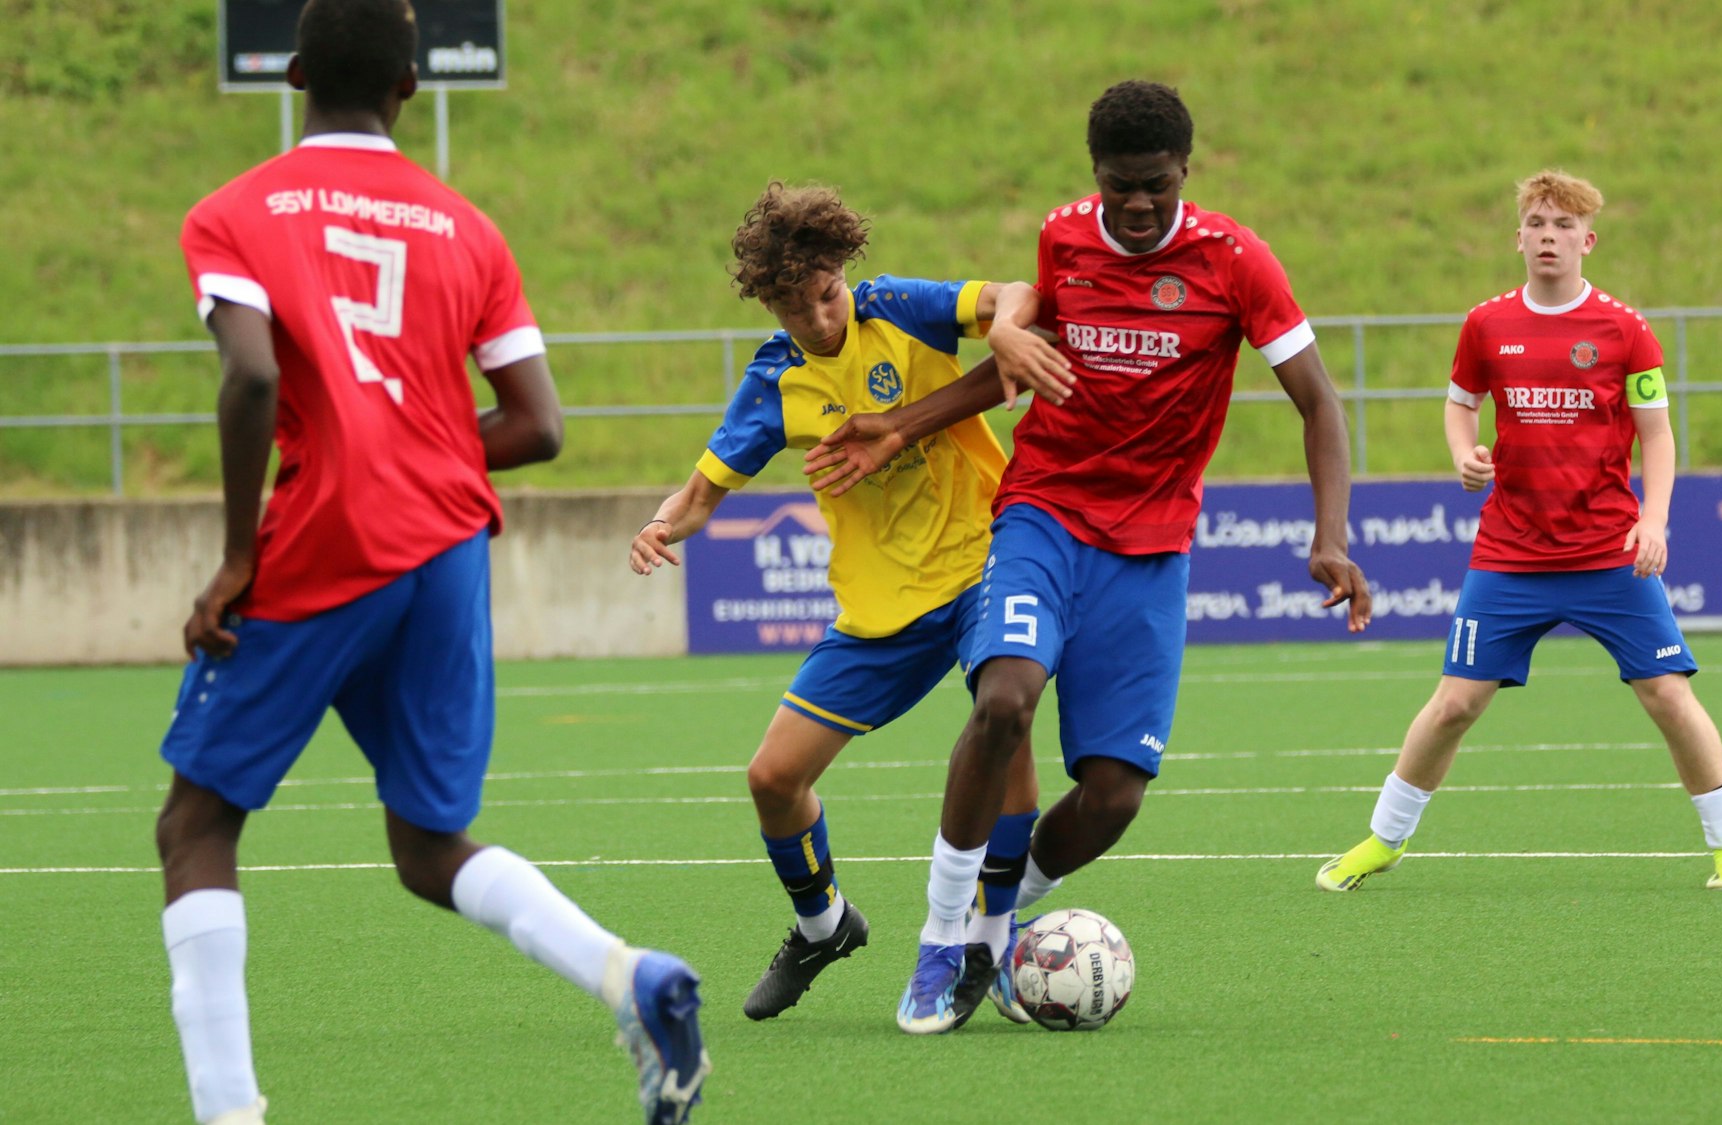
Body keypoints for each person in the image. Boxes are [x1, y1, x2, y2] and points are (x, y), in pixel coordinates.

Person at [154, 3, 706, 1122]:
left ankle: (229, 1114)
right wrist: (418, 446)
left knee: (196, 825)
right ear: (410, 87)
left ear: (295, 72)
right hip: (447, 544)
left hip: (323, 540)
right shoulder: (468, 227)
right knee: (427, 845)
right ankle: (628, 975)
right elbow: (540, 426)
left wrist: (230, 558)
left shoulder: (233, 213)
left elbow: (253, 378)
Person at [803, 79, 1371, 1034]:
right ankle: (942, 939)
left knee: (1114, 794)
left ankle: (998, 915)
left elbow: (1319, 400)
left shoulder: (1237, 262)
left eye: (1154, 184)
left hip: (1150, 548)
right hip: (1045, 514)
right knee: (1005, 700)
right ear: (1094, 175)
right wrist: (900, 426)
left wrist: (1331, 537)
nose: (1137, 205)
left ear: (1187, 170)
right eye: (1119, 186)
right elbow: (1012, 365)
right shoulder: (1064, 238)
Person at [628, 183, 1062, 1026]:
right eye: (795, 310)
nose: (819, 320)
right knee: (772, 777)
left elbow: (1014, 296)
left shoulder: (898, 306)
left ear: (843, 273)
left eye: (826, 296)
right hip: (884, 604)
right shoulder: (777, 380)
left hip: (986, 559)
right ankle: (823, 924)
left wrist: (1007, 323)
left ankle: (990, 937)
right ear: (772, 307)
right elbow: (704, 492)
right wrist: (660, 524)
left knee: (1006, 721)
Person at [1314, 169, 1722, 895]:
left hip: (1607, 553)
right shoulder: (1487, 323)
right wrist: (1464, 452)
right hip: (1509, 553)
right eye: (1537, 224)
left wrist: (1654, 518)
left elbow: (1659, 435)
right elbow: (1460, 407)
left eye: (1563, 225)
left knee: (1668, 695)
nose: (1549, 237)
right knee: (1454, 702)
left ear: (1589, 240)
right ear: (1517, 237)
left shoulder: (1624, 328)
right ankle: (1382, 840)